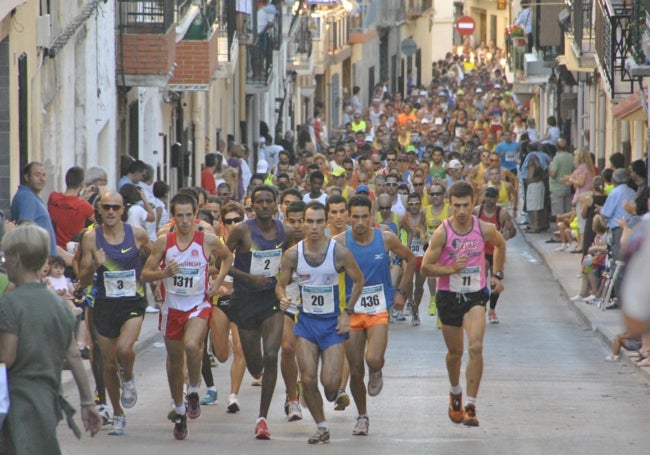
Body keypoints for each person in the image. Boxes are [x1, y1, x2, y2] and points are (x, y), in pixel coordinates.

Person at [0, 224, 102, 454]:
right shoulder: (58, 305)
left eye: (6, 258)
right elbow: (74, 355)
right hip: (49, 398)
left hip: (17, 399)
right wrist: (87, 402)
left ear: (16, 258)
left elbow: (7, 356)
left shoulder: (9, 305)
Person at [141, 192, 232, 439]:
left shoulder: (208, 240)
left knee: (193, 345)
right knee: (174, 361)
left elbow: (228, 258)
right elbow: (145, 274)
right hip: (172, 308)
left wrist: (217, 281)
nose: (184, 220)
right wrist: (164, 273)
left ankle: (193, 389)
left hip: (198, 304)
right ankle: (179, 411)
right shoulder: (163, 242)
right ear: (173, 217)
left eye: (188, 215)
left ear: (195, 215)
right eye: (179, 216)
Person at [276, 202, 364, 444]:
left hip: (332, 326)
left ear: (326, 223)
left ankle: (332, 392)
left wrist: (347, 312)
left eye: (318, 221)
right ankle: (322, 426)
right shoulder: (292, 254)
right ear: (302, 223)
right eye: (309, 221)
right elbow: (280, 284)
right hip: (306, 323)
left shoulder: (339, 252)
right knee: (307, 378)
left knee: (330, 385)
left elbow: (359, 280)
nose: (313, 227)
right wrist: (282, 298)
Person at [421, 181, 506, 427]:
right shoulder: (442, 233)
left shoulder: (484, 228)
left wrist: (497, 274)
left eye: (466, 205)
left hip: (476, 295)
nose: (461, 211)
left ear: (473, 203)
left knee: (476, 347)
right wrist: (450, 268)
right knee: (455, 353)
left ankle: (470, 405)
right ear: (450, 204)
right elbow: (426, 268)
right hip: (449, 296)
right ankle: (455, 392)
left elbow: (500, 245)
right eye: (456, 205)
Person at [333, 195, 416, 436]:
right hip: (352, 312)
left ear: (372, 216)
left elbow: (411, 259)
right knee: (356, 369)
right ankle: (361, 416)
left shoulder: (386, 238)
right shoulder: (339, 243)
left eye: (364, 216)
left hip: (378, 309)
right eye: (355, 217)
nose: (360, 222)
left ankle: (377, 369)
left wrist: (401, 292)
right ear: (349, 217)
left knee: (373, 359)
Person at [75, 191, 153, 436]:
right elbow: (83, 280)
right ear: (99, 209)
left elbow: (153, 260)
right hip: (104, 305)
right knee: (108, 364)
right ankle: (118, 414)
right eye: (106, 207)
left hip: (132, 302)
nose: (110, 212)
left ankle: (127, 377)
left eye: (115, 208)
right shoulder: (90, 239)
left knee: (124, 350)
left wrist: (157, 282)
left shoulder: (137, 234)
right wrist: (94, 266)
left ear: (123, 210)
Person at [225, 184, 294, 439]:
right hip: (245, 301)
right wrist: (248, 277)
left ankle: (262, 419)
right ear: (251, 205)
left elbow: (292, 262)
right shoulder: (242, 231)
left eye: (269, 201)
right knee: (255, 364)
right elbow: (221, 261)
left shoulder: (285, 231)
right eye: (259, 202)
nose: (264, 206)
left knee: (272, 353)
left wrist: (283, 282)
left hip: (271, 300)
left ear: (276, 204)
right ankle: (261, 375)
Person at [473, 186, 515, 323]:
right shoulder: (477, 211)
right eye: (487, 196)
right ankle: (481, 307)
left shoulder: (502, 213)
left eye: (492, 197)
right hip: (482, 251)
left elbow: (512, 231)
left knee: (496, 281)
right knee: (482, 279)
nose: (489, 200)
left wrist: (504, 237)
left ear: (497, 198)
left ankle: (492, 310)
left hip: (497, 252)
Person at [10, 161, 57, 255]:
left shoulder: (31, 196)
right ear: (27, 177)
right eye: (37, 175)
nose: (42, 179)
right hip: (37, 261)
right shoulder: (27, 197)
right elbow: (26, 230)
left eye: (44, 175)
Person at [47, 166, 96, 250]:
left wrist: (82, 197)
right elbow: (101, 219)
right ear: (81, 184)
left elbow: (68, 203)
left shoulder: (53, 198)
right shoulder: (84, 206)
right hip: (72, 250)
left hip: (53, 248)